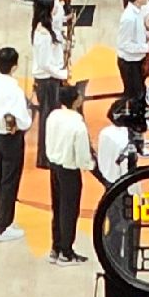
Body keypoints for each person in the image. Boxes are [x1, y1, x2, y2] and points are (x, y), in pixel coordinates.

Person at [45, 84, 93, 263]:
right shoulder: (78, 125)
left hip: (54, 167)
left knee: (57, 208)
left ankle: (55, 247)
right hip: (70, 171)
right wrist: (90, 164)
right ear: (75, 100)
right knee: (69, 210)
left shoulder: (53, 115)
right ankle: (66, 252)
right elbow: (82, 156)